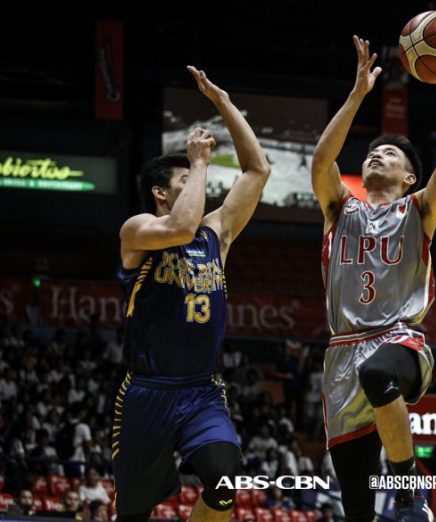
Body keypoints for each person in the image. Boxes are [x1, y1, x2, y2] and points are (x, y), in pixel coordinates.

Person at [311, 26, 436, 522]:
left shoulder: (419, 209)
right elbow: (322, 159)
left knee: (378, 372)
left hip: (400, 340)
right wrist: (358, 93)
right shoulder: (340, 209)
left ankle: (409, 490)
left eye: (390, 153)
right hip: (340, 355)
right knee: (357, 508)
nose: (375, 154)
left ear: (409, 177)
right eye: (372, 153)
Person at [114, 65, 271, 522]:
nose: (202, 191)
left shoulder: (216, 234)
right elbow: (180, 225)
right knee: (133, 514)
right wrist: (198, 162)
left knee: (223, 479)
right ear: (160, 192)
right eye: (188, 184)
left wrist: (224, 104)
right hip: (147, 390)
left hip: (201, 389)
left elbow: (258, 170)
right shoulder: (138, 230)